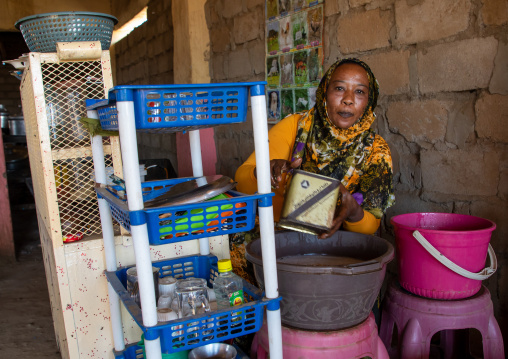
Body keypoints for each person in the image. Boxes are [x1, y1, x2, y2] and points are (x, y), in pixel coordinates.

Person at [235, 58, 395, 239]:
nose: (348, 100)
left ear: (369, 100)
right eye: (339, 88)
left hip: (337, 245)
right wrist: (261, 173)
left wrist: (354, 212)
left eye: (359, 92)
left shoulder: (376, 150)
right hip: (278, 236)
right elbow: (241, 181)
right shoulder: (295, 126)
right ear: (325, 91)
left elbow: (370, 225)